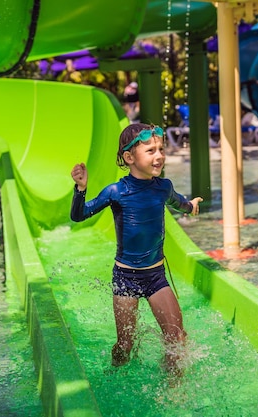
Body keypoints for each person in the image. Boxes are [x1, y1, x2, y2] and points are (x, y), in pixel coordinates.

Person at [70, 123, 203, 376]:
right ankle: (115, 375)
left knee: (177, 339)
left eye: (161, 149)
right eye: (151, 150)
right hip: (126, 277)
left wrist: (191, 205)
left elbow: (180, 202)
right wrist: (80, 189)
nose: (159, 155)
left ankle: (173, 393)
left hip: (156, 276)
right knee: (125, 345)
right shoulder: (116, 191)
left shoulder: (163, 187)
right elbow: (79, 215)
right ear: (130, 158)